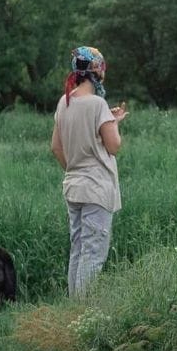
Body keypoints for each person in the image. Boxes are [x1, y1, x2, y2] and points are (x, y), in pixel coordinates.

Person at [51, 46, 127, 295]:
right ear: (96, 69)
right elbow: (113, 146)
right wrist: (114, 123)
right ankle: (81, 314)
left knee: (79, 249)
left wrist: (74, 169)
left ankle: (72, 310)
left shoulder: (66, 101)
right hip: (96, 189)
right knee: (93, 255)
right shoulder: (98, 104)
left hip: (73, 186)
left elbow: (56, 146)